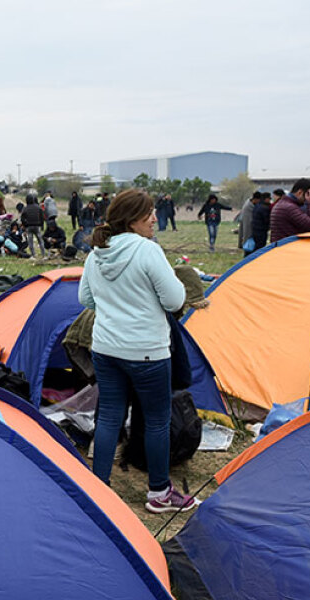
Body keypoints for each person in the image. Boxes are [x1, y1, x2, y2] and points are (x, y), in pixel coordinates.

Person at [77, 188, 197, 513]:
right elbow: (174, 301)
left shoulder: (96, 253)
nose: (156, 219)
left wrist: (115, 302)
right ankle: (159, 493)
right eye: (150, 214)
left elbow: (85, 299)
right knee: (157, 421)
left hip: (105, 348)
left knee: (110, 418)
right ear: (132, 220)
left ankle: (98, 491)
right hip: (147, 351)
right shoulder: (148, 251)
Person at [269, 178, 310, 243]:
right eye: (308, 195)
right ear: (300, 192)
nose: (307, 199)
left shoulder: (282, 204)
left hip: (281, 248)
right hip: (288, 249)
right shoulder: (290, 208)